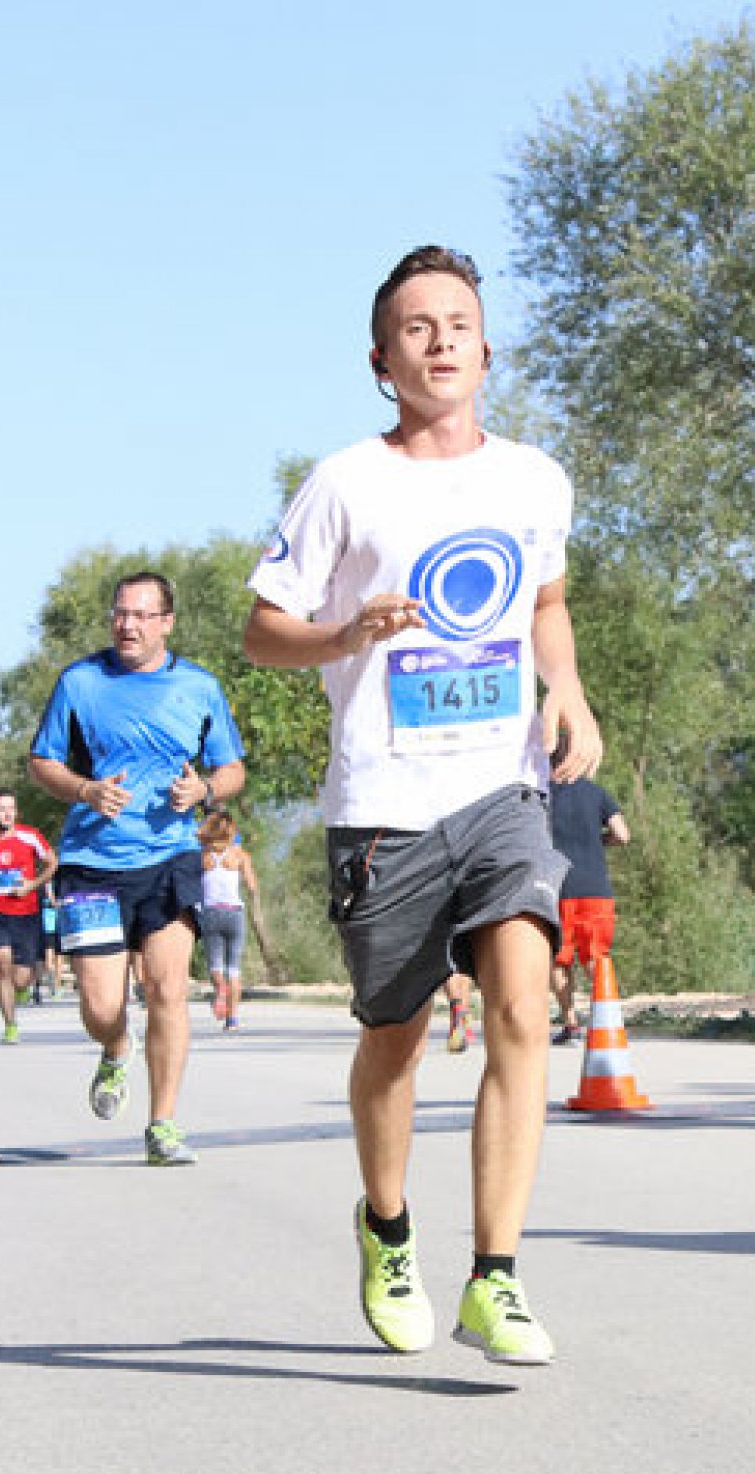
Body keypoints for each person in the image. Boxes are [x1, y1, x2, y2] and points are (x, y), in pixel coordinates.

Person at [243, 243, 602, 1364]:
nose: (440, 340)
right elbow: (262, 632)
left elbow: (546, 602)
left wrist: (567, 689)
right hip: (384, 800)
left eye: (457, 324)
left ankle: (495, 1277)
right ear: (380, 361)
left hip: (501, 787)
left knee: (522, 1007)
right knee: (393, 1041)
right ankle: (388, 1229)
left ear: (486, 352)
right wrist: (344, 634)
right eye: (415, 327)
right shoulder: (347, 482)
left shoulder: (534, 480)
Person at [27, 571, 246, 1165]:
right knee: (101, 1006)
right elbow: (41, 762)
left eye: (142, 615)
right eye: (120, 614)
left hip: (169, 856)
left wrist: (204, 789)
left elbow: (232, 770)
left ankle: (163, 1124)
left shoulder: (198, 687)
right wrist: (85, 790)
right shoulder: (80, 682)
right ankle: (116, 1045)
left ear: (166, 622)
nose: (128, 625)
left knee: (168, 988)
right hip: (92, 861)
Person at [0, 788, 57, 1043]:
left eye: (11, 809)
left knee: (23, 978)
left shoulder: (30, 837)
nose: (7, 814)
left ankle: (21, 989)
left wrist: (32, 884)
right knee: (2, 960)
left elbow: (52, 863)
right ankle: (10, 1024)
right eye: (2, 809)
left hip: (27, 914)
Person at [548, 774, 630, 1043]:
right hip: (596, 889)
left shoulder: (543, 794)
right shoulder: (596, 793)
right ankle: (607, 1020)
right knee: (596, 956)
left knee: (559, 959)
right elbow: (622, 835)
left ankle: (570, 1023)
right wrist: (599, 840)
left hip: (559, 887)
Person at [197, 810, 262, 1029]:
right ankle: (232, 1019)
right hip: (234, 913)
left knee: (215, 964)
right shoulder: (240, 855)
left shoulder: (203, 856)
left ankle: (220, 990)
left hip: (210, 912)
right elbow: (252, 886)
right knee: (234, 967)